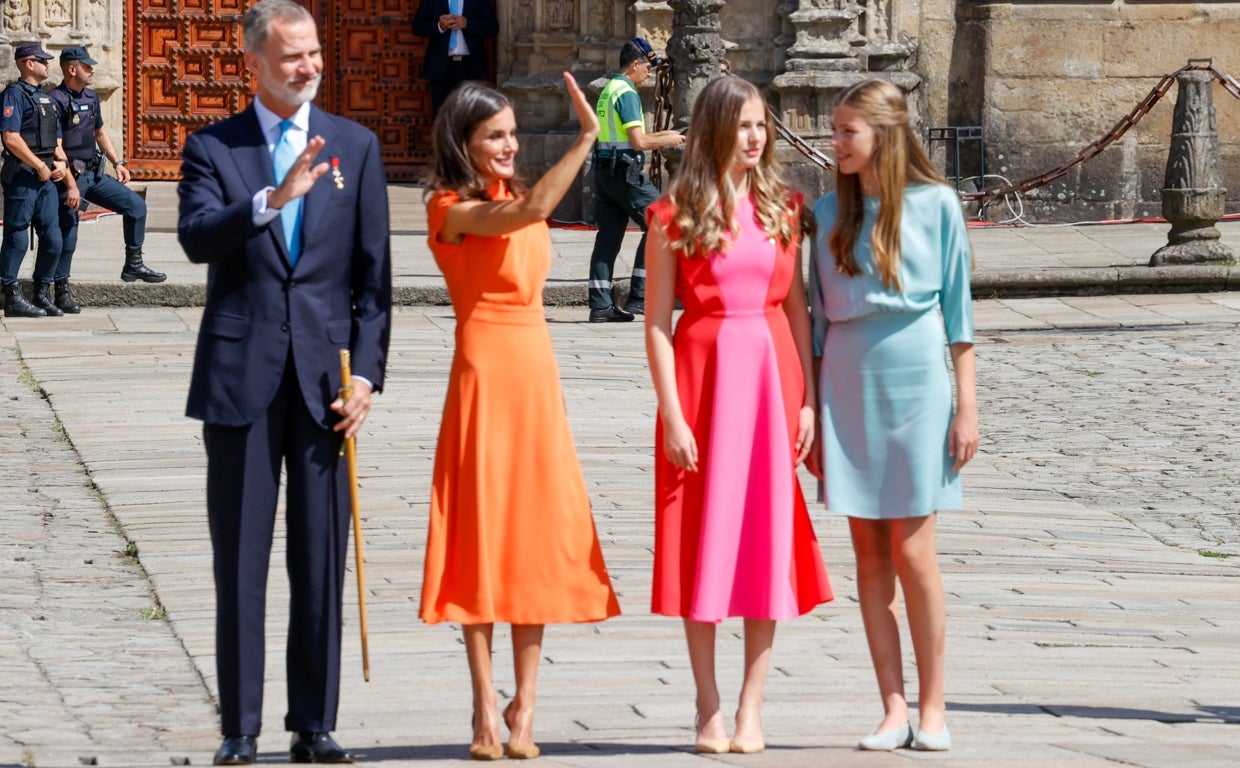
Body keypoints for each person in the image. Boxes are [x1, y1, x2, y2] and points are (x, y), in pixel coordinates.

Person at [177, 1, 391, 764]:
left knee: (320, 557)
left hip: (325, 385)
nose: (309, 67)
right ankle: (240, 728)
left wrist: (366, 375)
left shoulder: (357, 147)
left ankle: (313, 723)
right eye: (292, 56)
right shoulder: (214, 147)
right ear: (254, 64)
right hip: (240, 379)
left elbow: (373, 285)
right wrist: (271, 201)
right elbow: (198, 237)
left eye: (315, 55)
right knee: (240, 561)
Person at [418, 77, 620, 761]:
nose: (508, 145)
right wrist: (588, 138)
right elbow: (534, 207)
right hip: (482, 372)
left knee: (533, 535)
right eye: (494, 136)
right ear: (464, 142)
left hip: (535, 373)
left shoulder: (511, 198)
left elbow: (529, 205)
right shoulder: (449, 207)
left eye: (511, 134)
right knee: (479, 536)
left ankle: (525, 707)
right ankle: (482, 707)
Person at [644, 75, 833, 755]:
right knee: (702, 544)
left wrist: (808, 399)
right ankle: (708, 705)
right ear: (715, 130)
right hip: (700, 383)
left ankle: (753, 706)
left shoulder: (786, 207)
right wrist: (671, 412)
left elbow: (795, 311)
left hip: (771, 383)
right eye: (744, 125)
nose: (756, 137)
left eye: (763, 126)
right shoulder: (672, 217)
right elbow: (658, 323)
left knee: (763, 545)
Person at [808, 78, 978, 753]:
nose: (835, 141)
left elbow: (960, 319)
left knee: (913, 550)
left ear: (883, 131)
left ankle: (934, 706)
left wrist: (967, 407)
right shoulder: (826, 213)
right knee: (868, 553)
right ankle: (891, 706)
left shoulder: (939, 206)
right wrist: (812, 415)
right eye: (835, 128)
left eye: (847, 129)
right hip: (845, 383)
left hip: (918, 381)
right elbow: (816, 323)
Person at [50, 43, 165, 315]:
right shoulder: (56, 100)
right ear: (71, 68)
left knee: (136, 207)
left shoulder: (90, 97)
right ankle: (60, 289)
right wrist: (69, 183)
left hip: (93, 173)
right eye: (87, 66)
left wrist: (118, 162)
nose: (91, 71)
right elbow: (56, 146)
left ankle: (133, 264)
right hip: (70, 177)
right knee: (69, 233)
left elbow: (100, 132)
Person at [586, 37, 685, 322]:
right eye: (648, 68)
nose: (650, 73)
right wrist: (670, 137)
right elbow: (638, 141)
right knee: (664, 220)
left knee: (608, 237)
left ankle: (601, 305)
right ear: (635, 64)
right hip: (625, 173)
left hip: (606, 172)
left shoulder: (608, 90)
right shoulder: (626, 92)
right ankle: (640, 296)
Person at [0, 41, 79, 318]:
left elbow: (56, 143)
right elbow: (10, 138)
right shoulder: (14, 95)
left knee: (53, 237)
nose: (48, 64)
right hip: (23, 176)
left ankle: (42, 293)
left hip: (47, 177)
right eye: (43, 60)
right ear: (28, 63)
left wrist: (62, 168)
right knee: (17, 236)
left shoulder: (46, 99)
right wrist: (37, 165)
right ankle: (10, 296)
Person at [411, 0, 499, 117]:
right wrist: (440, 26)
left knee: (470, 116)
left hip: (470, 67)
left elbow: (493, 27)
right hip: (441, 68)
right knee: (441, 115)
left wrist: (467, 24)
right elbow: (418, 27)